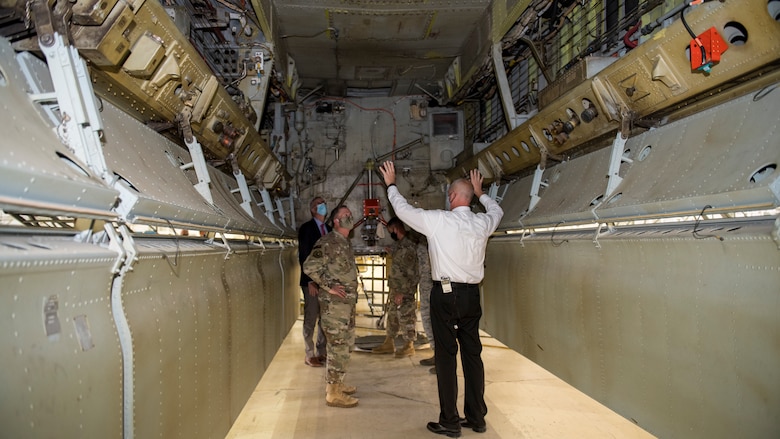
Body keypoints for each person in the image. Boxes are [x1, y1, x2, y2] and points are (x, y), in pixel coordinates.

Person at [378, 161, 504, 438]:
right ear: (470, 199)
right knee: (473, 356)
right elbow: (497, 210)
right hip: (472, 296)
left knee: (446, 357)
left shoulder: (439, 220)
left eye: (450, 194)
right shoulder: (483, 222)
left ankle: (450, 421)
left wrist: (391, 184)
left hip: (445, 296)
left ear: (452, 197)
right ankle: (477, 417)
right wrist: (482, 191)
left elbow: (402, 210)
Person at [303, 205, 360, 408]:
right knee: (337, 347)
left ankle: (338, 383)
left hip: (346, 306)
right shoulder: (328, 242)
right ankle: (333, 393)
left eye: (349, 214)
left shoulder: (344, 242)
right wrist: (329, 286)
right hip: (334, 308)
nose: (349, 217)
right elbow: (309, 266)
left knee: (345, 346)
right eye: (344, 215)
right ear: (335, 221)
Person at [372, 217, 419, 357]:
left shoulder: (408, 246)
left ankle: (409, 345)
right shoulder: (400, 245)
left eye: (390, 231)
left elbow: (412, 273)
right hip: (396, 289)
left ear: (395, 229)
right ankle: (389, 342)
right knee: (392, 316)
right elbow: (401, 263)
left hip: (403, 291)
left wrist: (403, 293)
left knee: (407, 316)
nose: (390, 234)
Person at [298, 196, 330, 367]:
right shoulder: (306, 229)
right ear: (312, 210)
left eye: (323, 203)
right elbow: (304, 255)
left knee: (325, 318)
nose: (323, 206)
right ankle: (309, 354)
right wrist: (310, 281)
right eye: (319, 204)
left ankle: (321, 350)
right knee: (311, 317)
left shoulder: (329, 229)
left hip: (326, 283)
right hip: (312, 282)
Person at [415, 234, 436, 372]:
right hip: (425, 286)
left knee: (435, 322)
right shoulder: (420, 241)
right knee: (427, 320)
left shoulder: (433, 239)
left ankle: (443, 359)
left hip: (434, 287)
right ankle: (437, 353)